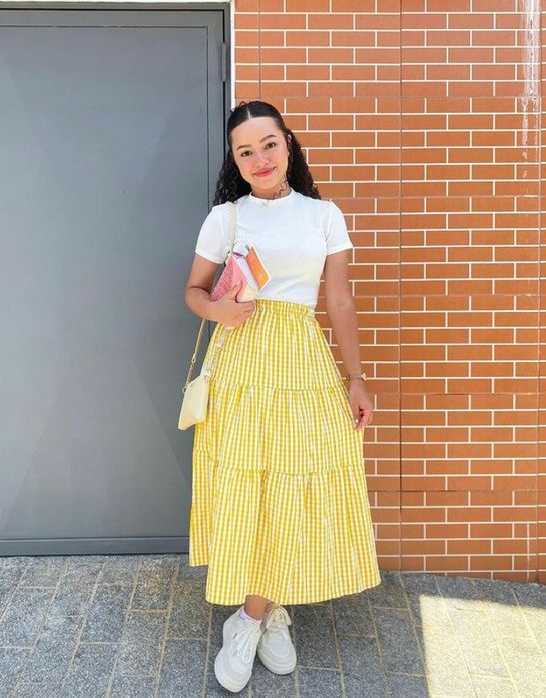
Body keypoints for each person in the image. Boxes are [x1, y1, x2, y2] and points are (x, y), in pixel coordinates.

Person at [183, 100, 381, 693]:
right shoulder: (227, 218)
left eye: (268, 144)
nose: (259, 158)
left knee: (296, 480)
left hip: (302, 362)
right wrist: (219, 308)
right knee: (250, 482)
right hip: (242, 361)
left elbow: (338, 301)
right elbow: (193, 291)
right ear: (236, 162)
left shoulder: (324, 215)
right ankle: (259, 616)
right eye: (245, 151)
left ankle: (256, 613)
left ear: (287, 145)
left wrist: (356, 377)